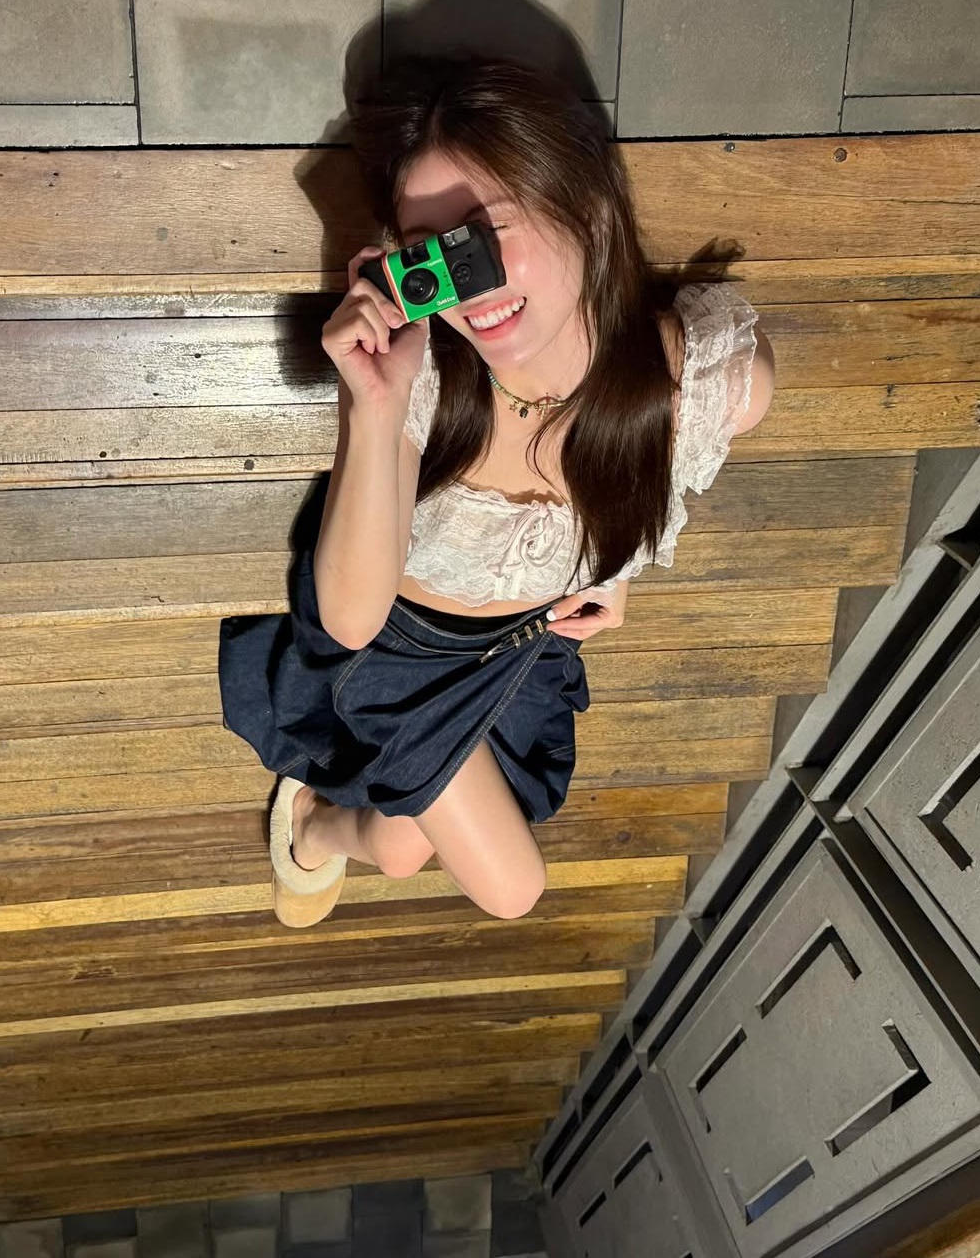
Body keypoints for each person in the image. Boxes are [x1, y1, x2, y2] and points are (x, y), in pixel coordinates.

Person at [218, 52, 775, 928]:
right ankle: (318, 822)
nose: (468, 283)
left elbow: (654, 467)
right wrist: (376, 401)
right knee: (506, 887)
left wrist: (613, 571)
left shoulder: (707, 382)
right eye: (431, 251)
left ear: (587, 209)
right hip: (392, 658)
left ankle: (322, 821)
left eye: (483, 232)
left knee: (402, 849)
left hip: (519, 646)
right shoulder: (427, 382)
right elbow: (350, 619)